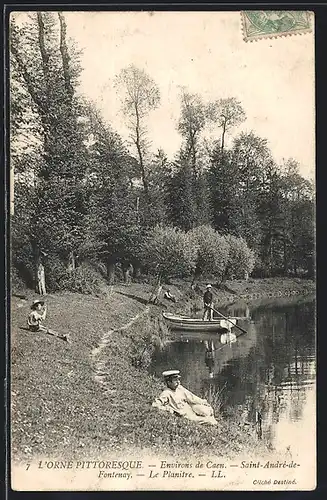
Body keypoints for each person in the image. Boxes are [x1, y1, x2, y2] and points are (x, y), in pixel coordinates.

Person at [152, 370, 217, 425]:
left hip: (190, 408)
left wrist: (203, 402)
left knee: (208, 410)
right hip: (185, 414)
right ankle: (211, 421)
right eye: (175, 380)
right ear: (169, 382)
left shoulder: (179, 388)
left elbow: (191, 397)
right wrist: (170, 410)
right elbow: (155, 405)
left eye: (178, 379)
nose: (178, 382)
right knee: (210, 421)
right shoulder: (166, 393)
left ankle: (209, 417)